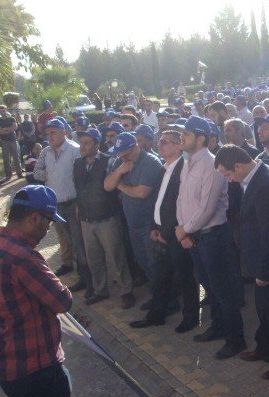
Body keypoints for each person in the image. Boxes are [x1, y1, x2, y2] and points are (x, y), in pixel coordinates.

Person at [0, 185, 73, 397]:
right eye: (48, 221)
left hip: (6, 369)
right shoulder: (24, 258)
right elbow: (62, 302)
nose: (48, 229)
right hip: (38, 371)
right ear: (34, 218)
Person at [215, 145, 269, 380]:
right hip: (260, 262)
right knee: (264, 309)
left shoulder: (266, 186)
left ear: (238, 166)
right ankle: (266, 348)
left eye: (227, 174)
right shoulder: (253, 178)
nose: (228, 180)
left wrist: (263, 270)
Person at [175, 116, 246, 359]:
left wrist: (185, 230)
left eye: (186, 133)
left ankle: (236, 340)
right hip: (196, 236)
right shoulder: (187, 162)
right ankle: (217, 328)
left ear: (201, 138)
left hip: (213, 237)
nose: (181, 137)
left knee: (223, 290)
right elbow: (181, 198)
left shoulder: (211, 165)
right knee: (210, 288)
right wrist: (182, 228)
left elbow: (207, 208)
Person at [130, 129, 199, 332]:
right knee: (162, 277)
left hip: (177, 233)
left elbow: (183, 206)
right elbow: (159, 201)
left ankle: (191, 317)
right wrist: (155, 226)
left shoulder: (183, 169)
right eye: (160, 141)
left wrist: (169, 232)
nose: (161, 145)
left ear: (179, 146)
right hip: (162, 231)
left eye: (166, 142)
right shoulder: (164, 168)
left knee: (185, 277)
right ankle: (156, 315)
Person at [74, 127, 135, 309]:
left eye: (87, 143)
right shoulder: (78, 163)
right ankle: (100, 289)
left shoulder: (110, 162)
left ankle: (126, 291)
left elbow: (114, 185)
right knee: (94, 258)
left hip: (107, 218)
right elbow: (78, 187)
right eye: (81, 143)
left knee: (116, 256)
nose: (82, 147)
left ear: (96, 145)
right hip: (86, 218)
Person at [33, 119, 93, 296]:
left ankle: (88, 280)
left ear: (64, 132)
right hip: (56, 205)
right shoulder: (46, 152)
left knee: (79, 243)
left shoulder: (75, 150)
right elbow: (36, 173)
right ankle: (79, 273)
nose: (49, 136)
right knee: (69, 241)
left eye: (53, 132)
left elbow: (83, 179)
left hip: (73, 204)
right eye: (47, 133)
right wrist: (50, 175)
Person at [104, 132, 164, 299]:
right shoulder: (120, 162)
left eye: (125, 153)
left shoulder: (151, 162)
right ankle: (156, 294)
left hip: (149, 224)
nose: (122, 156)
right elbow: (108, 185)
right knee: (142, 260)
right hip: (133, 223)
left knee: (154, 263)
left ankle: (164, 298)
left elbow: (142, 193)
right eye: (119, 153)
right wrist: (120, 171)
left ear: (135, 147)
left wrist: (120, 185)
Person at [0, 104, 23, 180]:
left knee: (16, 157)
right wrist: (9, 129)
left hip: (13, 140)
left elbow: (15, 127)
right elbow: (0, 131)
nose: (2, 112)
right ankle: (8, 174)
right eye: (1, 111)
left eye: (3, 110)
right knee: (6, 159)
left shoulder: (12, 119)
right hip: (4, 141)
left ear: (6, 110)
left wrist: (5, 129)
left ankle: (19, 173)